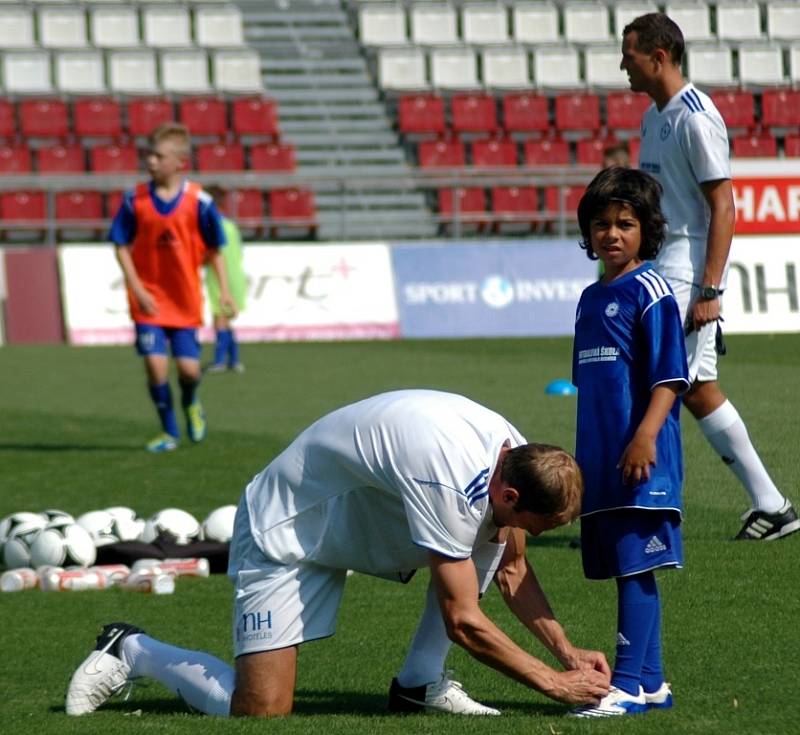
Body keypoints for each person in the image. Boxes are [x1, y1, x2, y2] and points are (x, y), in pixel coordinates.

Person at [66, 389, 611, 718]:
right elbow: (464, 622)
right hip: (287, 529)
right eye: (540, 525)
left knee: (491, 535)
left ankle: (419, 683)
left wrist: (566, 649)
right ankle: (130, 648)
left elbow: (513, 564)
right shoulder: (448, 480)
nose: (537, 535)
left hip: (357, 522)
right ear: (511, 493)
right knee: (260, 710)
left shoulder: (512, 455)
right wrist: (553, 683)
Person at [620, 13, 799, 540]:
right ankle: (771, 505)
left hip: (686, 264)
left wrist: (710, 290)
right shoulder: (655, 116)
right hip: (661, 262)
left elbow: (722, 205)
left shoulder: (695, 117)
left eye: (629, 55)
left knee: (667, 380)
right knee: (693, 385)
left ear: (658, 56)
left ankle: (646, 500)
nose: (622, 66)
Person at [569, 167, 689, 717]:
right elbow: (592, 385)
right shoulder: (590, 298)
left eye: (624, 223)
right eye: (601, 224)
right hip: (601, 459)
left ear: (647, 231)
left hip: (642, 459)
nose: (611, 234)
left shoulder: (652, 291)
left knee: (635, 566)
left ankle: (622, 685)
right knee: (628, 565)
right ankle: (651, 682)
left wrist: (644, 436)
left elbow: (669, 377)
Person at [110, 123, 236, 453]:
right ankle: (169, 432)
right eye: (149, 154)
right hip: (147, 299)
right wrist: (136, 288)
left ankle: (191, 401)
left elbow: (215, 250)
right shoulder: (133, 199)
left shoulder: (200, 202)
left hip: (184, 300)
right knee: (154, 365)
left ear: (180, 161)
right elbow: (120, 244)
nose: (151, 161)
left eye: (158, 156)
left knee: (189, 370)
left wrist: (224, 292)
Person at [204, 186, 247, 374]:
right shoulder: (231, 225)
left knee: (220, 319)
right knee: (226, 319)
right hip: (235, 276)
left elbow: (210, 254)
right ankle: (234, 360)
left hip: (219, 277)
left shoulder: (212, 226)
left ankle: (220, 361)